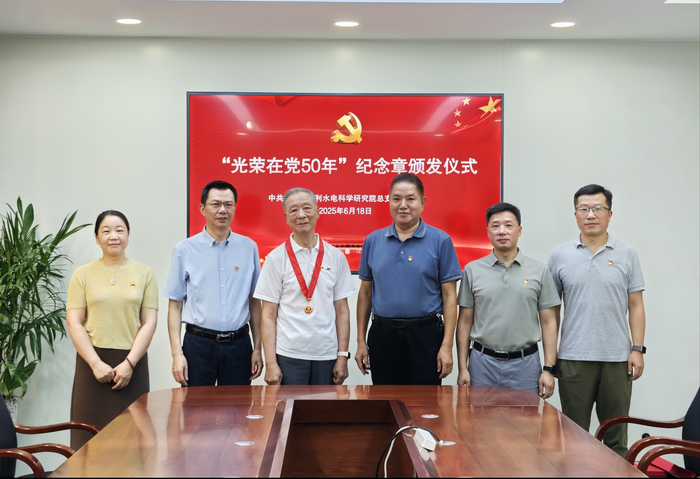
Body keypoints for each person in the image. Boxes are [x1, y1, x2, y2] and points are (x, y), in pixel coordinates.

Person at [548, 184, 646, 457]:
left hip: (617, 359)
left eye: (598, 208)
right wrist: (551, 358)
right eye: (584, 209)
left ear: (609, 214)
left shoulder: (627, 253)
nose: (590, 214)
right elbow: (551, 313)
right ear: (575, 214)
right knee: (573, 437)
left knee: (616, 437)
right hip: (573, 358)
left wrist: (637, 349)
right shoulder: (560, 255)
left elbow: (636, 305)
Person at [355, 173, 462, 385]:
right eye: (396, 199)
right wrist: (360, 341)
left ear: (422, 202)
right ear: (389, 201)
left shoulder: (441, 240)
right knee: (385, 400)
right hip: (382, 335)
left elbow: (450, 296)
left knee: (425, 400)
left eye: (410, 199)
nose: (403, 205)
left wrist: (447, 345)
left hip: (426, 335)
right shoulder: (373, 241)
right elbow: (365, 293)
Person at [66, 210, 158, 450]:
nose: (113, 236)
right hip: (92, 362)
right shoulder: (82, 274)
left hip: (132, 364)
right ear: (97, 238)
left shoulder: (145, 274)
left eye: (119, 230)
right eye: (106, 231)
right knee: (88, 438)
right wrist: (95, 364)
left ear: (128, 235)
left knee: (134, 439)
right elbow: (74, 322)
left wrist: (129, 364)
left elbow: (149, 322)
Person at [163, 180, 262, 387]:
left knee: (238, 406)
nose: (222, 210)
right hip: (198, 346)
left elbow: (254, 302)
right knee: (195, 406)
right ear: (202, 208)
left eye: (228, 204)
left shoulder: (249, 247)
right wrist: (177, 354)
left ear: (235, 207)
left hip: (239, 346)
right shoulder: (184, 250)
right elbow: (175, 306)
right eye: (216, 204)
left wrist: (258, 349)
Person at [456, 203, 560, 398]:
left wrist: (548, 369)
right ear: (488, 232)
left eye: (508, 225)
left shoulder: (539, 271)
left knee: (526, 417)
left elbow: (548, 322)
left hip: (525, 365)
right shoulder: (472, 270)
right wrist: (463, 368)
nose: (502, 231)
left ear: (519, 230)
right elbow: (464, 322)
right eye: (495, 226)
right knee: (479, 416)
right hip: (482, 364)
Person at [255, 188, 355, 385]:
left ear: (317, 212)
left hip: (326, 354)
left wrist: (342, 356)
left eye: (307, 208)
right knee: (289, 405)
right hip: (288, 355)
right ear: (286, 217)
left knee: (324, 406)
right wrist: (271, 363)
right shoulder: (275, 259)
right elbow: (268, 314)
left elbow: (342, 311)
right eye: (293, 210)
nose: (301, 215)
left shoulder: (336, 256)